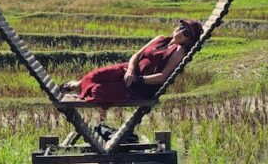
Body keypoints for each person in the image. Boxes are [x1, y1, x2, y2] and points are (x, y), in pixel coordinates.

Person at [59, 19, 203, 105]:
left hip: (139, 86)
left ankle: (80, 95)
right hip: (129, 69)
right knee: (97, 75)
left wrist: (137, 79)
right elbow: (136, 54)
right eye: (182, 28)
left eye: (186, 33)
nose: (180, 32)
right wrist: (130, 70)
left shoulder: (179, 51)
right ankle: (76, 85)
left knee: (99, 90)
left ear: (189, 40)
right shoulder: (160, 38)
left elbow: (163, 77)